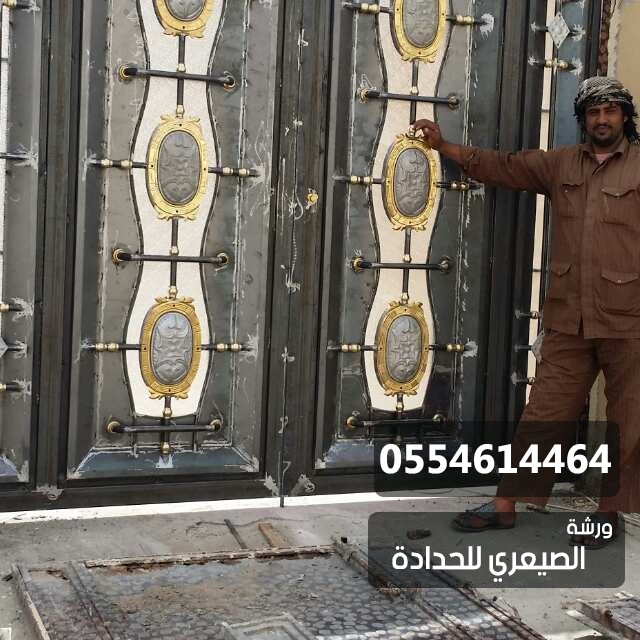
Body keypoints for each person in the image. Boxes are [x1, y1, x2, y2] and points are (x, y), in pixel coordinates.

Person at [412, 77, 640, 549]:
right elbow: (504, 166)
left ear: (625, 116)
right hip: (568, 319)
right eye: (594, 112)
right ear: (583, 119)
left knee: (630, 421)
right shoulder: (561, 164)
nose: (602, 119)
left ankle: (608, 513)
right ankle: (505, 505)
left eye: (611, 111)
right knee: (544, 413)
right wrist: (445, 146)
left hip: (630, 320)